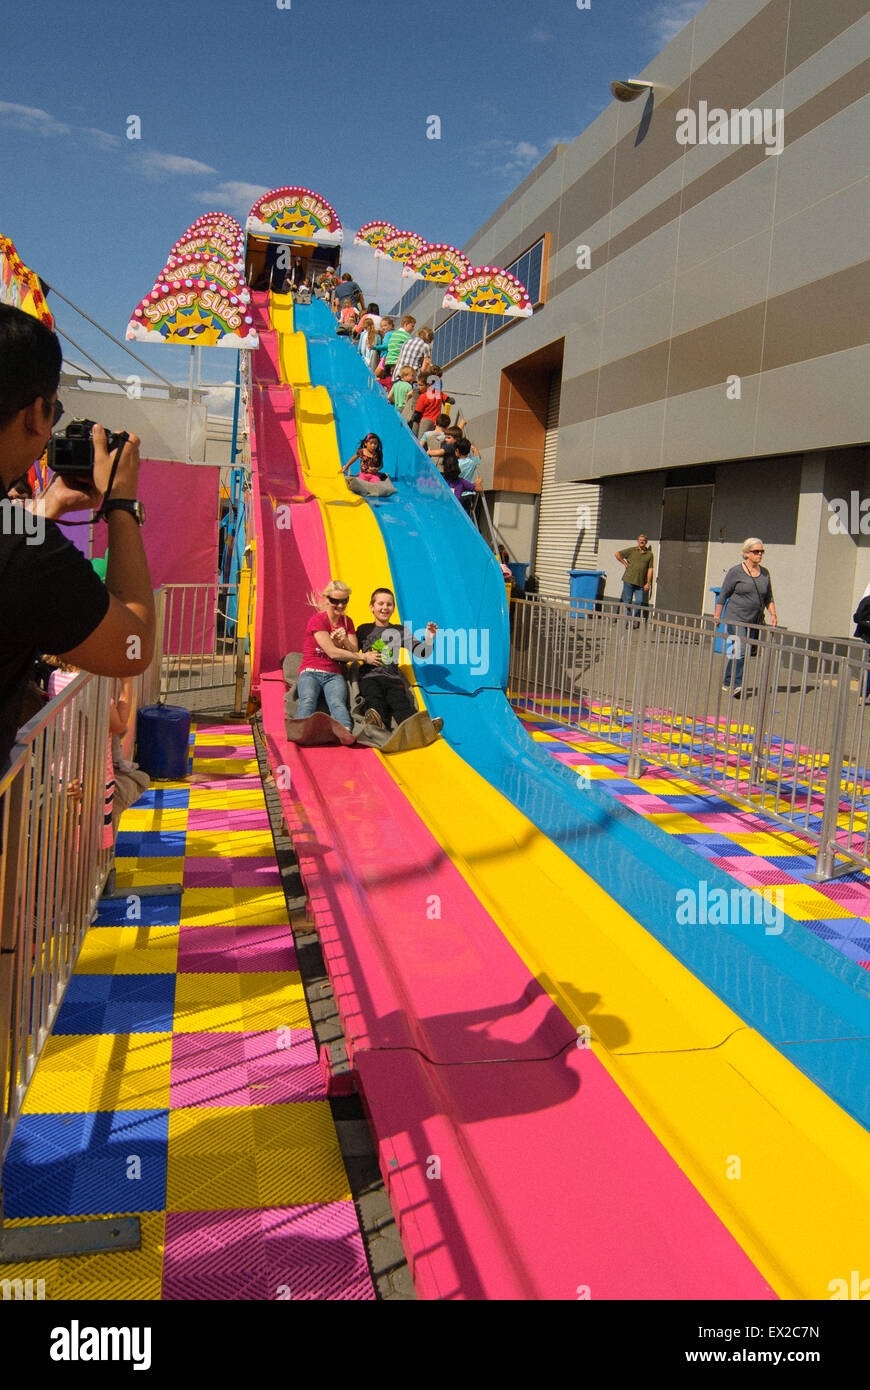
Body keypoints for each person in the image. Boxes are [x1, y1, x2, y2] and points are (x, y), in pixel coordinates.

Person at [0, 303, 155, 770]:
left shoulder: (21, 534)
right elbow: (132, 646)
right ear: (34, 415)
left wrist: (48, 508)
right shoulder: (25, 548)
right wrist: (121, 505)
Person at [296, 582, 380, 730]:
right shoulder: (318, 621)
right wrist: (364, 657)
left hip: (333, 674)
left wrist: (344, 640)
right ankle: (301, 728)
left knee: (337, 703)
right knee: (308, 699)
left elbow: (353, 648)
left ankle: (345, 730)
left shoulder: (347, 622)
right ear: (327, 599)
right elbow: (332, 652)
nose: (341, 606)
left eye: (344, 601)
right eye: (335, 601)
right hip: (311, 671)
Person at [355, 587, 437, 730]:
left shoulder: (400, 630)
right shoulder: (363, 629)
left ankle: (419, 729)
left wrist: (429, 639)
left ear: (393, 608)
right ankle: (375, 723)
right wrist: (341, 641)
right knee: (374, 699)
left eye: (389, 604)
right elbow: (351, 652)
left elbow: (422, 653)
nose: (385, 608)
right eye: (380, 604)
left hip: (392, 678)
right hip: (369, 677)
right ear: (371, 607)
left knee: (401, 703)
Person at [714, 538, 777, 698]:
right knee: (739, 650)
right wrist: (717, 615)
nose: (760, 554)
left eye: (762, 551)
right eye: (756, 551)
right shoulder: (736, 571)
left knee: (737, 652)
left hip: (754, 619)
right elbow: (724, 594)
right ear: (746, 553)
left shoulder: (765, 573)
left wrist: (773, 615)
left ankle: (727, 681)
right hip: (735, 617)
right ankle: (737, 686)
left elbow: (769, 596)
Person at [615, 534, 654, 622]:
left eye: (643, 540)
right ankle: (627, 621)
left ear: (646, 542)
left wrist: (648, 583)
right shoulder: (632, 550)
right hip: (629, 579)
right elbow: (617, 554)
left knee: (639, 602)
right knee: (627, 601)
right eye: (640, 540)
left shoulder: (650, 554)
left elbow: (650, 569)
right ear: (638, 541)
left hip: (641, 582)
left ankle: (634, 619)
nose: (641, 541)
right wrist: (625, 564)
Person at [376, 314, 415, 380]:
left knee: (388, 382)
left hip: (388, 362)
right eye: (412, 326)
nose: (413, 328)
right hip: (396, 363)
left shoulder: (394, 334)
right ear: (406, 324)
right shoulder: (406, 336)